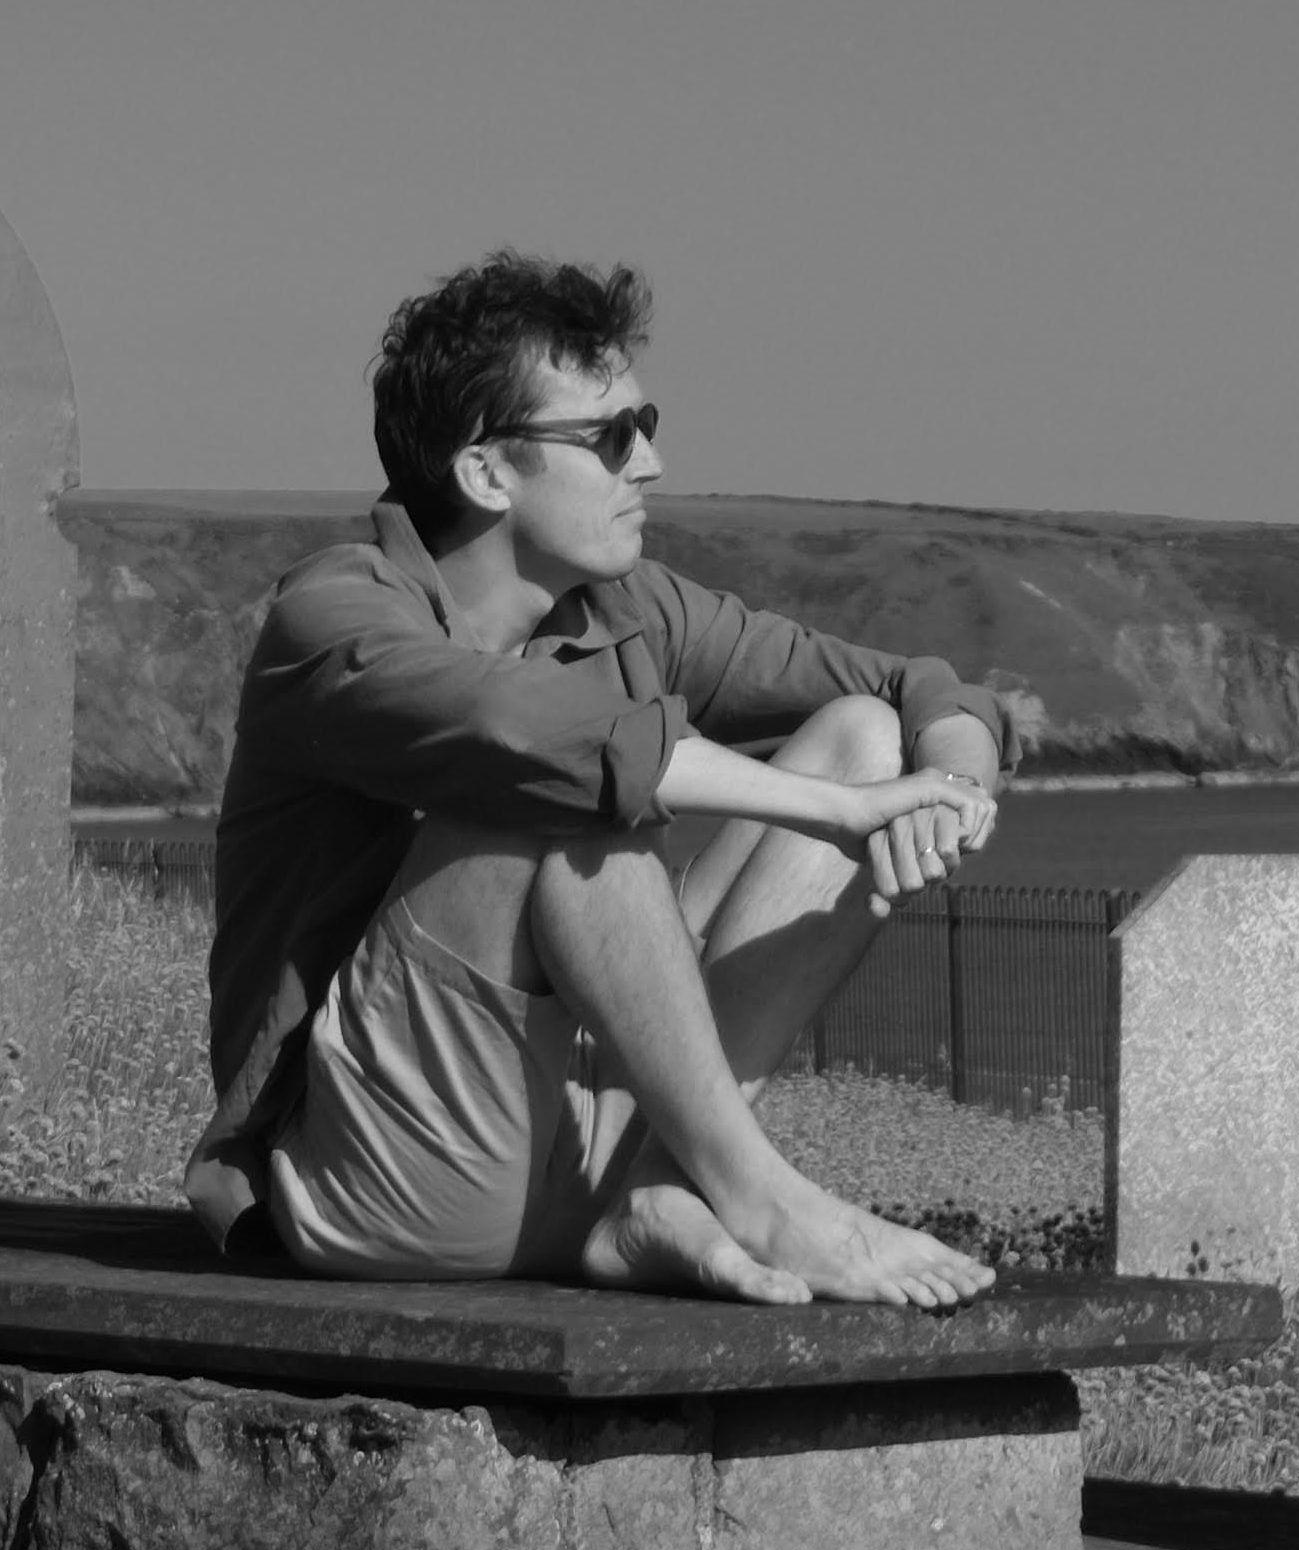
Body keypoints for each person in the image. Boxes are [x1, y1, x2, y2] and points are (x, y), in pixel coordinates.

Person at [186, 250, 1020, 1310]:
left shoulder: (626, 609)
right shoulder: (332, 619)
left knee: (861, 733)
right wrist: (842, 812)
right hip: (373, 1177)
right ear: (486, 472)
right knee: (559, 794)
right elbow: (525, 729)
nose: (652, 463)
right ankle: (757, 1193)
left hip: (579, 1152)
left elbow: (911, 691)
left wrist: (948, 788)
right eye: (612, 436)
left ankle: (664, 1191)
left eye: (646, 422)